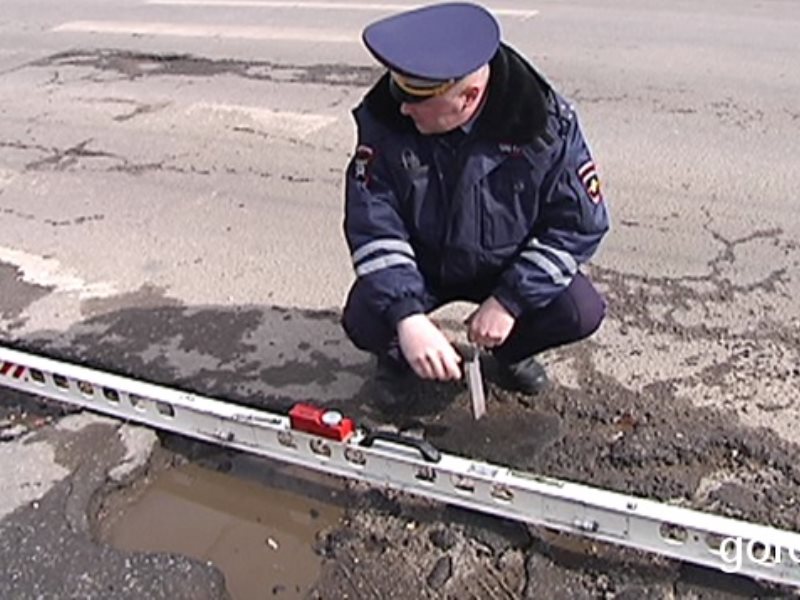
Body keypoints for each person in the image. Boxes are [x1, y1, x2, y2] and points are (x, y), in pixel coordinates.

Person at [341, 2, 610, 399]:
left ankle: (509, 352)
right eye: (401, 90)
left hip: (505, 265)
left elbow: (577, 225)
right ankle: (403, 356)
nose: (403, 106)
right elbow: (373, 219)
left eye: (417, 99)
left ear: (469, 97)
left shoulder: (543, 124)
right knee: (366, 316)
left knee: (579, 311)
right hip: (426, 263)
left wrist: (510, 301)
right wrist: (407, 317)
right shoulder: (386, 120)